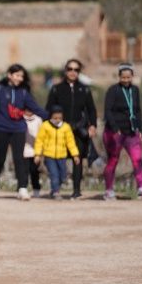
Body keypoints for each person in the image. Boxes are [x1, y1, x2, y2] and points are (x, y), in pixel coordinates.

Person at [0, 64, 48, 201]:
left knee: (19, 159)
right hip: (0, 128)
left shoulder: (24, 92)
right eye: (17, 75)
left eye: (22, 76)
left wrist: (51, 117)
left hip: (18, 129)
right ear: (9, 75)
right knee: (0, 159)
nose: (20, 79)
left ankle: (22, 189)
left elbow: (36, 108)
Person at [45, 59, 97, 200]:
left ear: (79, 72)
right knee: (56, 158)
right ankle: (56, 188)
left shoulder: (85, 90)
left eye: (76, 70)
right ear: (65, 70)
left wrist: (93, 126)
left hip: (78, 130)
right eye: (70, 69)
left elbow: (91, 110)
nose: (73, 72)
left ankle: (76, 190)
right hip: (59, 130)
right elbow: (48, 110)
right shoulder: (56, 89)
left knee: (77, 159)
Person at [103, 63, 142, 200]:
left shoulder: (135, 90)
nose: (126, 80)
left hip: (131, 132)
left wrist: (141, 129)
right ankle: (109, 189)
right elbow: (108, 111)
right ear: (119, 77)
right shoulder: (113, 90)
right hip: (115, 132)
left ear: (132, 77)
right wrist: (115, 128)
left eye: (128, 77)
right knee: (113, 160)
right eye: (123, 77)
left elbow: (137, 110)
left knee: (137, 159)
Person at [34, 105, 80, 200]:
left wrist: (75, 155)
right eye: (55, 118)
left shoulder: (66, 127)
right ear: (51, 116)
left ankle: (54, 189)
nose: (57, 120)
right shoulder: (45, 126)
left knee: (63, 176)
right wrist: (37, 154)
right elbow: (39, 141)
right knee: (54, 174)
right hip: (49, 156)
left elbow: (70, 142)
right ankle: (56, 192)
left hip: (62, 156)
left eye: (60, 118)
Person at [23, 109, 43, 198]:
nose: (29, 111)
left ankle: (36, 189)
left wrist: (39, 153)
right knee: (24, 172)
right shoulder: (20, 119)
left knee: (34, 172)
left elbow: (41, 136)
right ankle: (23, 189)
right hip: (23, 151)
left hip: (35, 152)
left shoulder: (38, 120)